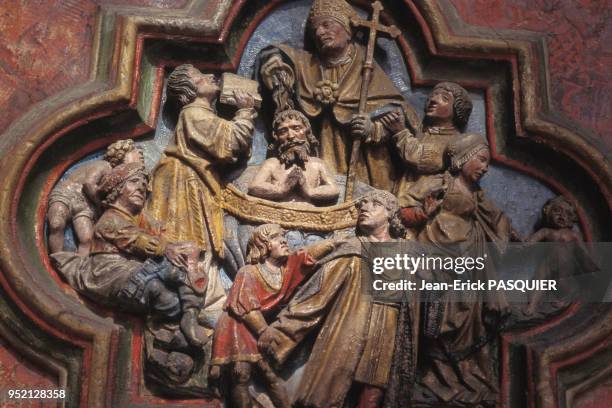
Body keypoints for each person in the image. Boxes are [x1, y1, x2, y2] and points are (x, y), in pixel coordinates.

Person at [257, 191, 412, 408]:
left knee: (374, 389)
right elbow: (316, 295)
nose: (365, 208)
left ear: (390, 214)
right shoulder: (352, 250)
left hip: (388, 326)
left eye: (374, 204)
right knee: (332, 386)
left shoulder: (406, 252)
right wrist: (281, 330)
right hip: (351, 323)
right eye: (363, 204)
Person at [258, 0, 420, 192]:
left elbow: (397, 113)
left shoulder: (366, 68)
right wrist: (273, 59)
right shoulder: (308, 65)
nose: (319, 32)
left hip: (366, 162)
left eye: (326, 24)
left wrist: (372, 128)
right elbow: (278, 53)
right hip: (324, 151)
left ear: (348, 29)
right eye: (315, 29)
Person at [400, 133, 512, 407]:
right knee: (437, 323)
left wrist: (504, 236)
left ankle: (467, 379)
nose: (485, 167)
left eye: (486, 163)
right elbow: (403, 207)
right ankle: (432, 380)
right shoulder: (439, 182)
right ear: (463, 157)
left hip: (469, 261)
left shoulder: (476, 194)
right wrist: (424, 211)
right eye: (481, 160)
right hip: (437, 255)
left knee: (468, 322)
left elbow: (497, 218)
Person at [51, 162, 209, 347]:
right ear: (117, 189)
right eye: (134, 182)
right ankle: (179, 320)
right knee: (161, 281)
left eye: (144, 185)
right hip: (107, 273)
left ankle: (187, 317)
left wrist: (183, 248)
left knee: (178, 273)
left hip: (131, 271)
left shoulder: (140, 219)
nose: (141, 188)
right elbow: (136, 240)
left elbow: (158, 234)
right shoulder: (109, 220)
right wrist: (166, 248)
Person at [210, 224, 335, 408]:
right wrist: (264, 331)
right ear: (265, 245)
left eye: (283, 236)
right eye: (277, 238)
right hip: (237, 326)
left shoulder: (287, 268)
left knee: (270, 375)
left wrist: (335, 243)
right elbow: (247, 309)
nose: (284, 241)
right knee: (241, 375)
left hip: (258, 327)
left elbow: (308, 255)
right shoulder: (248, 272)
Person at [147, 64, 257, 260]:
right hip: (188, 187)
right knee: (195, 244)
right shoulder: (194, 114)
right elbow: (231, 141)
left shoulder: (202, 114)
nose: (210, 75)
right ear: (189, 88)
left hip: (199, 183)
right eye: (200, 75)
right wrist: (245, 111)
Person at [380, 82, 473, 211]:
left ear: (457, 110)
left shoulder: (454, 141)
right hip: (398, 199)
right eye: (432, 96)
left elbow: (420, 159)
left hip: (417, 206)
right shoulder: (421, 130)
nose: (433, 100)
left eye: (444, 98)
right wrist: (370, 128)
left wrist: (400, 132)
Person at [46, 139, 143, 255]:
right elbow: (88, 184)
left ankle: (79, 267)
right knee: (56, 223)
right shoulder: (105, 166)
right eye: (138, 155)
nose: (141, 159)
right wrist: (99, 206)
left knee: (87, 240)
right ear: (123, 154)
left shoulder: (119, 180)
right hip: (68, 193)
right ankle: (57, 258)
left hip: (85, 205)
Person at [248, 109, 340, 205]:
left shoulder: (317, 164)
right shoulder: (272, 163)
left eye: (296, 129)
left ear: (307, 131)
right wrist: (281, 189)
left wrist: (308, 191)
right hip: (277, 213)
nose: (291, 136)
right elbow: (254, 186)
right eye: (283, 131)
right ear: (277, 137)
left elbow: (333, 189)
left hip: (310, 215)